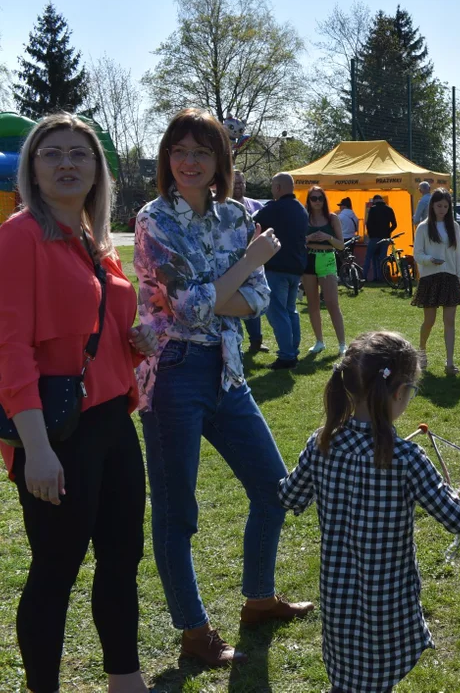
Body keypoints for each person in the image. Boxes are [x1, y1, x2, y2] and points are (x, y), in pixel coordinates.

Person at [134, 108, 312, 667]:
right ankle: (194, 631)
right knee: (176, 511)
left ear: (219, 162)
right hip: (173, 371)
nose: (189, 162)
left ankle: (258, 598)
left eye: (202, 152)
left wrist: (224, 287)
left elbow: (255, 301)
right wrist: (251, 262)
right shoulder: (152, 220)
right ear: (167, 158)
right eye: (180, 151)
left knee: (274, 486)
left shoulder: (236, 216)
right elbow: (186, 307)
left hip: (228, 369)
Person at [0, 114, 155, 693]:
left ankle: (126, 680)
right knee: (56, 570)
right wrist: (35, 449)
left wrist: (131, 342)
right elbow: (10, 349)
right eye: (52, 154)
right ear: (31, 170)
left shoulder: (96, 243)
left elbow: (89, 335)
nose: (67, 164)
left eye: (79, 155)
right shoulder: (18, 237)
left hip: (114, 423)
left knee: (121, 560)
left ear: (97, 171)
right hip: (57, 434)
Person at [279, 331, 460, 693]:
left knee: (351, 678)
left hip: (338, 601)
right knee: (372, 682)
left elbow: (289, 497)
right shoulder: (405, 459)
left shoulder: (323, 442)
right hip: (386, 606)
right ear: (399, 393)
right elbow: (459, 517)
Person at [254, 173, 309, 370]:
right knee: (290, 310)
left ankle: (287, 356)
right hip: (296, 268)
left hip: (277, 267)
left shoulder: (273, 209)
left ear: (277, 188)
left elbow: (253, 224)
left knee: (277, 312)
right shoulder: (301, 210)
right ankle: (292, 351)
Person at [412, 188, 460, 375]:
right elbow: (417, 254)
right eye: (439, 205)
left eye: (445, 206)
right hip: (430, 278)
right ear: (432, 206)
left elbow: (458, 255)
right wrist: (430, 260)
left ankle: (450, 363)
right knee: (429, 321)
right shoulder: (424, 227)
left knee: (449, 321)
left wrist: (459, 278)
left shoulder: (455, 227)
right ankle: (422, 352)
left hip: (450, 277)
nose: (442, 209)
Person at [303, 186, 347, 356]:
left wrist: (328, 237)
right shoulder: (304, 218)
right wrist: (310, 238)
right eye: (313, 198)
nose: (317, 202)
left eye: (320, 198)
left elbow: (341, 245)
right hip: (309, 259)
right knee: (312, 303)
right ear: (308, 200)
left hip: (327, 258)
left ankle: (342, 343)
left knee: (331, 302)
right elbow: (298, 241)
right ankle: (319, 341)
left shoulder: (332, 218)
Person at [234, 171, 269, 353]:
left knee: (252, 298)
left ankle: (256, 341)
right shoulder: (220, 205)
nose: (238, 186)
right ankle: (234, 343)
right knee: (230, 301)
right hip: (230, 262)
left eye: (241, 182)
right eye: (235, 183)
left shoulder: (255, 205)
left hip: (253, 260)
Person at [363, 194, 398, 283]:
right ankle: (381, 278)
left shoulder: (372, 209)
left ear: (374, 201)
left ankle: (364, 277)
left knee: (369, 257)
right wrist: (388, 232)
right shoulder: (389, 209)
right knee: (382, 258)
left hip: (374, 237)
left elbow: (368, 224)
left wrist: (370, 234)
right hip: (385, 238)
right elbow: (394, 224)